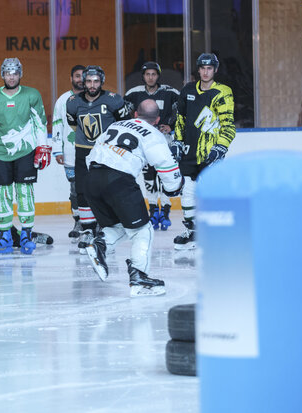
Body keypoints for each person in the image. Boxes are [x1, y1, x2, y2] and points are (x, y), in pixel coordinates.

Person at [84, 99, 183, 296]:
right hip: (119, 180)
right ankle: (139, 278)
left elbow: (93, 152)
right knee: (142, 230)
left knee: (118, 226)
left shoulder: (116, 124)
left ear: (135, 114)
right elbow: (165, 164)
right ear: (157, 119)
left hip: (92, 178)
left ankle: (100, 244)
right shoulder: (154, 134)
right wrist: (175, 187)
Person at [0, 57, 51, 255]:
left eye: (15, 72)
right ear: (2, 74)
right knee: (2, 194)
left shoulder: (31, 94)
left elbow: (40, 123)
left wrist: (43, 147)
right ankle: (5, 237)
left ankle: (26, 234)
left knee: (25, 192)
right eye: (8, 73)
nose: (11, 76)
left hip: (25, 151)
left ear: (20, 74)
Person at [170, 53, 235, 250]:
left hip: (210, 153)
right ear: (198, 70)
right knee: (187, 192)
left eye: (209, 68)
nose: (205, 71)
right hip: (189, 152)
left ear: (215, 70)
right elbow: (180, 119)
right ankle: (192, 231)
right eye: (202, 68)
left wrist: (220, 147)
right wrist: (177, 142)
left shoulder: (222, 92)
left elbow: (228, 126)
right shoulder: (188, 90)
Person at [66, 65, 131, 253]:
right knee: (83, 191)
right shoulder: (72, 102)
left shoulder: (114, 100)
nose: (92, 85)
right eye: (88, 81)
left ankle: (106, 227)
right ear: (83, 82)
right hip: (83, 152)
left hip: (106, 152)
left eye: (96, 81)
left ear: (101, 81)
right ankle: (87, 229)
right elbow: (73, 125)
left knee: (106, 190)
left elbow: (123, 125)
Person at [125, 61, 179, 231]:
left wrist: (172, 126)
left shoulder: (171, 93)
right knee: (148, 177)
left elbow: (182, 113)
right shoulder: (134, 94)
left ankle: (166, 211)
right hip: (145, 143)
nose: (150, 77)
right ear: (143, 76)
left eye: (153, 74)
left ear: (158, 75)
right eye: (147, 74)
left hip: (164, 142)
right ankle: (153, 211)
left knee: (165, 177)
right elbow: (125, 115)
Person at [52, 64, 85, 240]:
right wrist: (57, 149)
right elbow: (57, 125)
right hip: (70, 153)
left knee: (95, 188)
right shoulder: (63, 100)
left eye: (83, 76)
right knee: (75, 190)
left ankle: (97, 222)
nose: (80, 79)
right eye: (77, 76)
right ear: (71, 79)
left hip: (93, 154)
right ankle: (78, 221)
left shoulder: (95, 98)